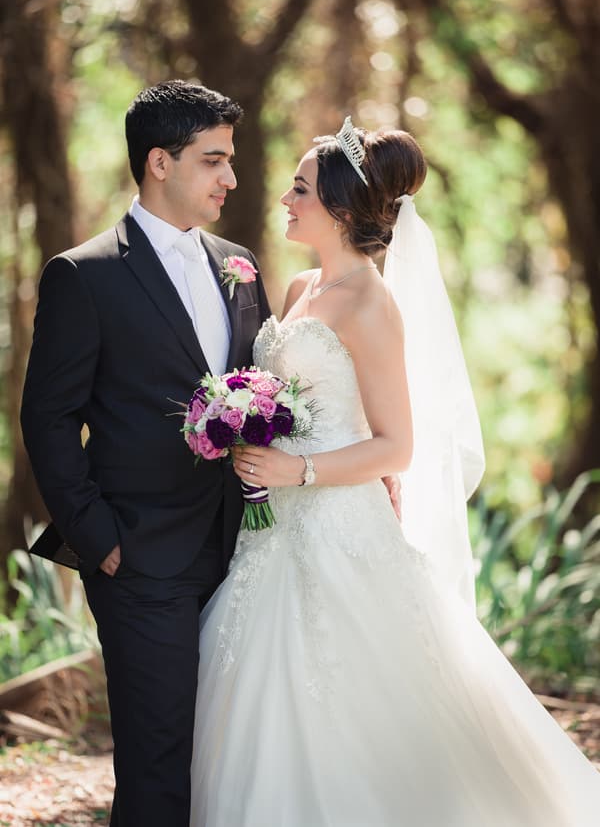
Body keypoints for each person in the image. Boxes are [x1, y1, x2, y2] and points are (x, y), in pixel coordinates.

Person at [189, 117, 600, 826]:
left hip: (337, 525)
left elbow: (396, 446)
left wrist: (300, 471)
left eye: (301, 189)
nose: (286, 200)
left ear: (343, 209)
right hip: (272, 533)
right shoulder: (297, 291)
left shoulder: (373, 304)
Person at [20, 80, 271, 826]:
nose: (231, 178)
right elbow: (48, 419)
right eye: (213, 160)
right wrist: (99, 540)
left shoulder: (241, 263)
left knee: (225, 749)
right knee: (157, 756)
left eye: (231, 160)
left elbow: (264, 390)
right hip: (139, 555)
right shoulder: (84, 274)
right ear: (159, 162)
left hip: (245, 551)